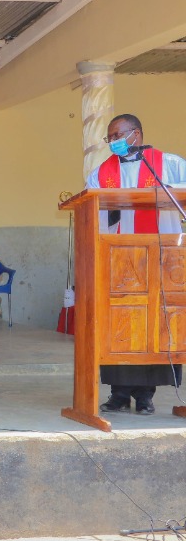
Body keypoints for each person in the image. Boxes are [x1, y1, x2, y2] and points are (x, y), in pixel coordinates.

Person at [87, 113, 184, 416]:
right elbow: (92, 207)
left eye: (117, 135)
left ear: (136, 134)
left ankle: (146, 396)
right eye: (109, 137)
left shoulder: (167, 163)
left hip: (160, 258)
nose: (113, 141)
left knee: (155, 322)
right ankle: (118, 394)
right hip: (120, 261)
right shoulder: (102, 172)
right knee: (121, 323)